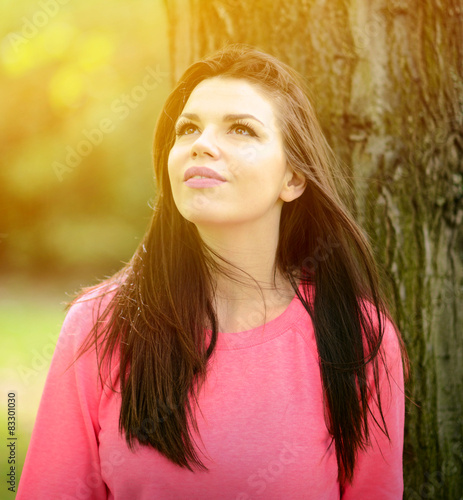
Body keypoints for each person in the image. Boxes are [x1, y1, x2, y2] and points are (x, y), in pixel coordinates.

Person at [17, 43, 407, 499]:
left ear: (293, 178)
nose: (201, 144)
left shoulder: (359, 338)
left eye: (241, 129)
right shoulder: (98, 326)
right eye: (188, 129)